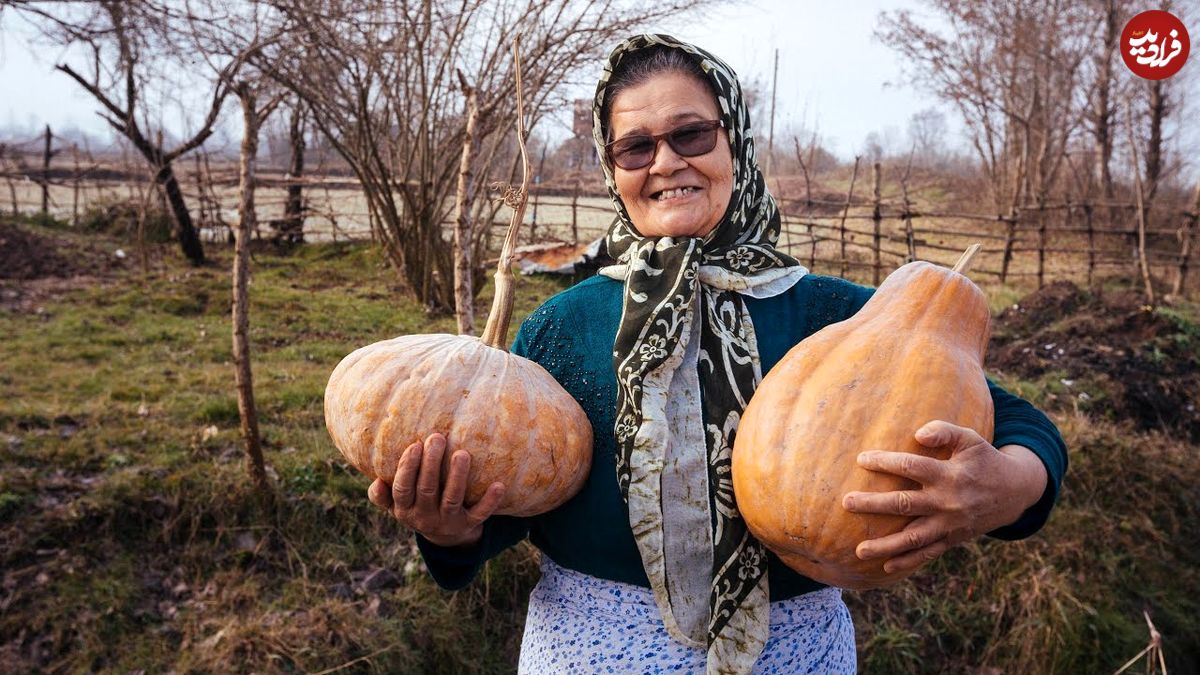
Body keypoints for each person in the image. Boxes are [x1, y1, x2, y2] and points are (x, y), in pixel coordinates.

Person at [366, 34, 1067, 674]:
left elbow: (1017, 425)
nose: (667, 161)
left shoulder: (837, 312)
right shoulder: (562, 325)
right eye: (635, 147)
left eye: (691, 133)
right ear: (613, 168)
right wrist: (451, 533)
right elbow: (511, 496)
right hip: (588, 650)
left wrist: (1012, 485)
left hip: (794, 654)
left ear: (735, 140)